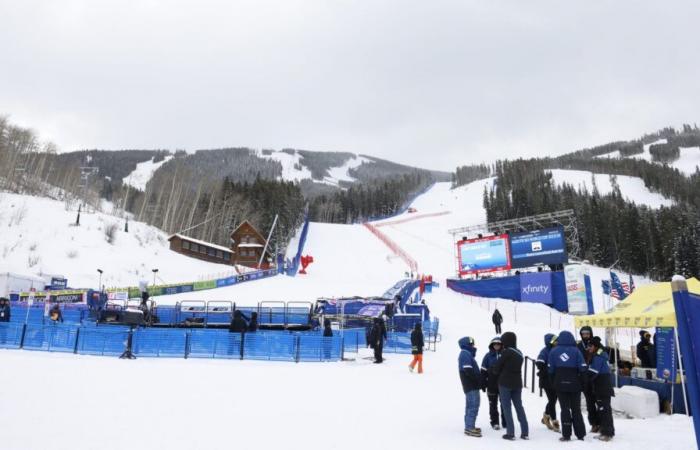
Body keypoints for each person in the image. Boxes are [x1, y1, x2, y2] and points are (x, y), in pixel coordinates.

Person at [549, 330, 588, 441]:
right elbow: (583, 368)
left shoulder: (554, 351)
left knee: (564, 409)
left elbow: (550, 370)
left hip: (560, 385)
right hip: (575, 385)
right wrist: (583, 383)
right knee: (576, 409)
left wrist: (554, 383)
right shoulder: (576, 351)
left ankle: (566, 435)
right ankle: (580, 434)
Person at [491, 331, 529, 440]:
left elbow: (496, 368)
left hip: (505, 384)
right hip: (517, 383)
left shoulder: (506, 352)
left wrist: (495, 369)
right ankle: (525, 432)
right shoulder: (519, 352)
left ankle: (510, 433)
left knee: (507, 408)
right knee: (519, 407)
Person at [588, 337, 615, 441]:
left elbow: (593, 372)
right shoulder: (598, 355)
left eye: (590, 346)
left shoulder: (598, 357)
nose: (588, 348)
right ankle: (605, 431)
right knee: (603, 410)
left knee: (604, 410)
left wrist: (583, 379)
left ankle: (607, 434)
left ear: (595, 346)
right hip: (601, 387)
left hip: (602, 387)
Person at [481, 336, 506, 430]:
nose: (496, 345)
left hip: (503, 384)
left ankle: (505, 421)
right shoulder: (487, 356)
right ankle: (495, 422)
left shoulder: (505, 354)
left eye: (498, 344)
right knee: (492, 404)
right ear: (492, 345)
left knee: (504, 403)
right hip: (491, 384)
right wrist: (483, 382)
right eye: (494, 344)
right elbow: (483, 370)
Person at [458, 336, 482, 437]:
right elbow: (468, 370)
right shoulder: (465, 354)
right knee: (473, 405)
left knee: (471, 405)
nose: (473, 345)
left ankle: (469, 425)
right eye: (471, 344)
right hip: (471, 385)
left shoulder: (466, 354)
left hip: (471, 385)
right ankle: (469, 427)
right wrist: (478, 381)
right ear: (467, 344)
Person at [536, 333, 560, 432]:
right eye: (554, 341)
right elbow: (539, 363)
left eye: (557, 340)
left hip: (555, 379)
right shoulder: (545, 351)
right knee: (552, 400)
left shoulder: (558, 350)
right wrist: (548, 369)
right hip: (546, 380)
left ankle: (546, 416)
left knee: (553, 399)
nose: (556, 342)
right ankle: (554, 421)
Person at [577, 326, 599, 432]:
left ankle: (602, 422)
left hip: (596, 377)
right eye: (583, 334)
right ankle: (594, 423)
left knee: (599, 402)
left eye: (587, 334)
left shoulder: (596, 344)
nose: (585, 336)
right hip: (584, 378)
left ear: (591, 334)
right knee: (590, 403)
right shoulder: (578, 346)